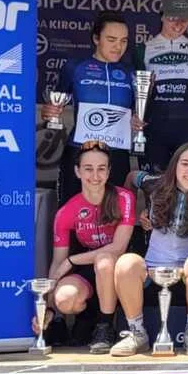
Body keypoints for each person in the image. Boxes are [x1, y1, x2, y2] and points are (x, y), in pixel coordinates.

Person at [110, 142, 188, 357]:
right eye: (185, 164)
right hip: (151, 268)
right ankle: (137, 333)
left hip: (187, 270)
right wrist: (132, 213)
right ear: (174, 165)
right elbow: (131, 177)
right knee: (126, 263)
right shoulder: (153, 183)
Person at [44, 141, 136, 354]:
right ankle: (89, 315)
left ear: (109, 171)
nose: (95, 176)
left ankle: (105, 327)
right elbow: (57, 262)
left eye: (101, 169)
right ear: (77, 171)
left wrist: (72, 260)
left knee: (104, 261)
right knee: (65, 299)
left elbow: (118, 247)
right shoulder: (66, 211)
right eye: (88, 169)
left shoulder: (124, 198)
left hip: (122, 269)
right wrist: (49, 308)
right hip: (88, 271)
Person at [42, 12, 142, 205]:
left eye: (123, 41)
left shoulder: (131, 73)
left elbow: (138, 112)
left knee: (114, 213)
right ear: (96, 38)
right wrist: (49, 112)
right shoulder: (75, 67)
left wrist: (138, 120)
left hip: (116, 154)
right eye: (111, 39)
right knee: (73, 211)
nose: (118, 46)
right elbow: (56, 103)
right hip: (80, 151)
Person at [134, 0, 188, 172]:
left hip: (187, 129)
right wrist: (134, 115)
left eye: (184, 19)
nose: (178, 24)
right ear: (162, 16)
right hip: (154, 129)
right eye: (173, 18)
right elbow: (135, 93)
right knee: (153, 182)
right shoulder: (143, 50)